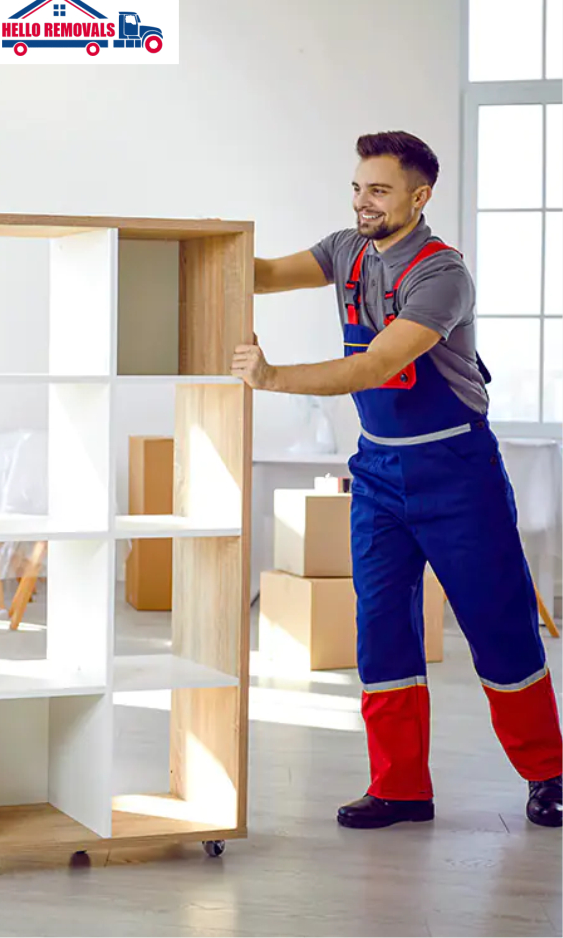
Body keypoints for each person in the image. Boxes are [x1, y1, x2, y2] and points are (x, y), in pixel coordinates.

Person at [232, 131, 562, 830]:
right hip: (377, 470)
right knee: (380, 628)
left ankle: (547, 773)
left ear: (419, 196)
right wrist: (178, 244)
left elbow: (373, 366)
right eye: (357, 187)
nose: (361, 202)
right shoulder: (343, 249)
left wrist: (271, 378)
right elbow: (257, 272)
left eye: (377, 190)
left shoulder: (442, 274)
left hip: (455, 471)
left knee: (497, 624)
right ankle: (399, 786)